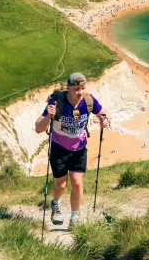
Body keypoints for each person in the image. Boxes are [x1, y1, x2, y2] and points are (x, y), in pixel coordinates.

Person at [35, 72, 109, 228]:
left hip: (79, 148)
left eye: (82, 88)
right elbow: (38, 128)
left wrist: (104, 120)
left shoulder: (88, 100)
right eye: (76, 89)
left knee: (77, 182)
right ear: (68, 88)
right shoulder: (58, 101)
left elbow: (102, 113)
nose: (80, 92)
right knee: (60, 185)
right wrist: (49, 116)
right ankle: (55, 204)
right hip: (59, 148)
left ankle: (75, 217)